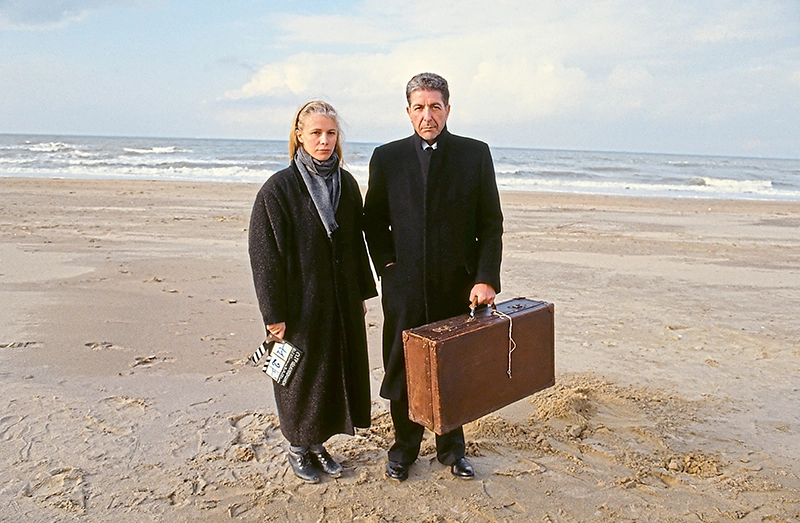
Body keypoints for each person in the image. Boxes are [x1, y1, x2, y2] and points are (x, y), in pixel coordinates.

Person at [363, 73, 503, 481]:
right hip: (403, 287)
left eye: (435, 107)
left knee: (451, 369)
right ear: (408, 112)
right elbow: (374, 221)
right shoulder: (387, 157)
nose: (428, 115)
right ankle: (404, 449)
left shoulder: (475, 154)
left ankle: (452, 450)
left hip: (458, 286)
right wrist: (388, 268)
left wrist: (485, 278)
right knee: (404, 367)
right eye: (420, 107)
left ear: (448, 109)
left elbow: (490, 223)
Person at [248, 101, 377, 483]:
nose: (324, 140)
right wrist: (273, 314)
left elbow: (356, 244)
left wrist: (360, 294)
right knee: (298, 377)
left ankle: (317, 443)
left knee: (331, 372)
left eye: (331, 133)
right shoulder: (278, 189)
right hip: (298, 304)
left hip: (338, 299)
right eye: (316, 133)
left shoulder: (347, 185)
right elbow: (264, 255)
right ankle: (297, 447)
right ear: (299, 135)